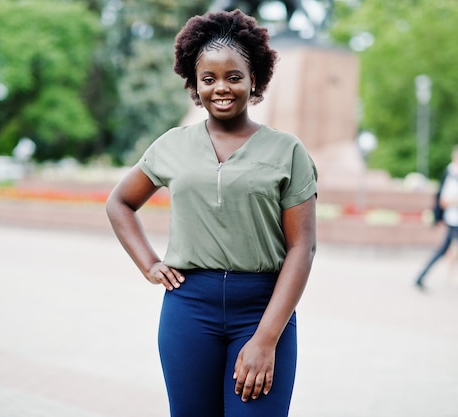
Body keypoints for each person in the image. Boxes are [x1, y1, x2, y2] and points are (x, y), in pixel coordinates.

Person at [106, 9, 318, 417]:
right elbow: (120, 202)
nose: (221, 88)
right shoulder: (172, 145)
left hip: (262, 310)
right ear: (194, 83)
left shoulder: (287, 150)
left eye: (233, 77)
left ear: (254, 78)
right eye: (209, 79)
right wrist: (148, 263)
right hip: (189, 311)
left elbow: (302, 248)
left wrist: (265, 339)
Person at [415, 144, 458, 295]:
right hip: (456, 220)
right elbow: (444, 201)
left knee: (444, 250)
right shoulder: (453, 174)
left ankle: (420, 277)